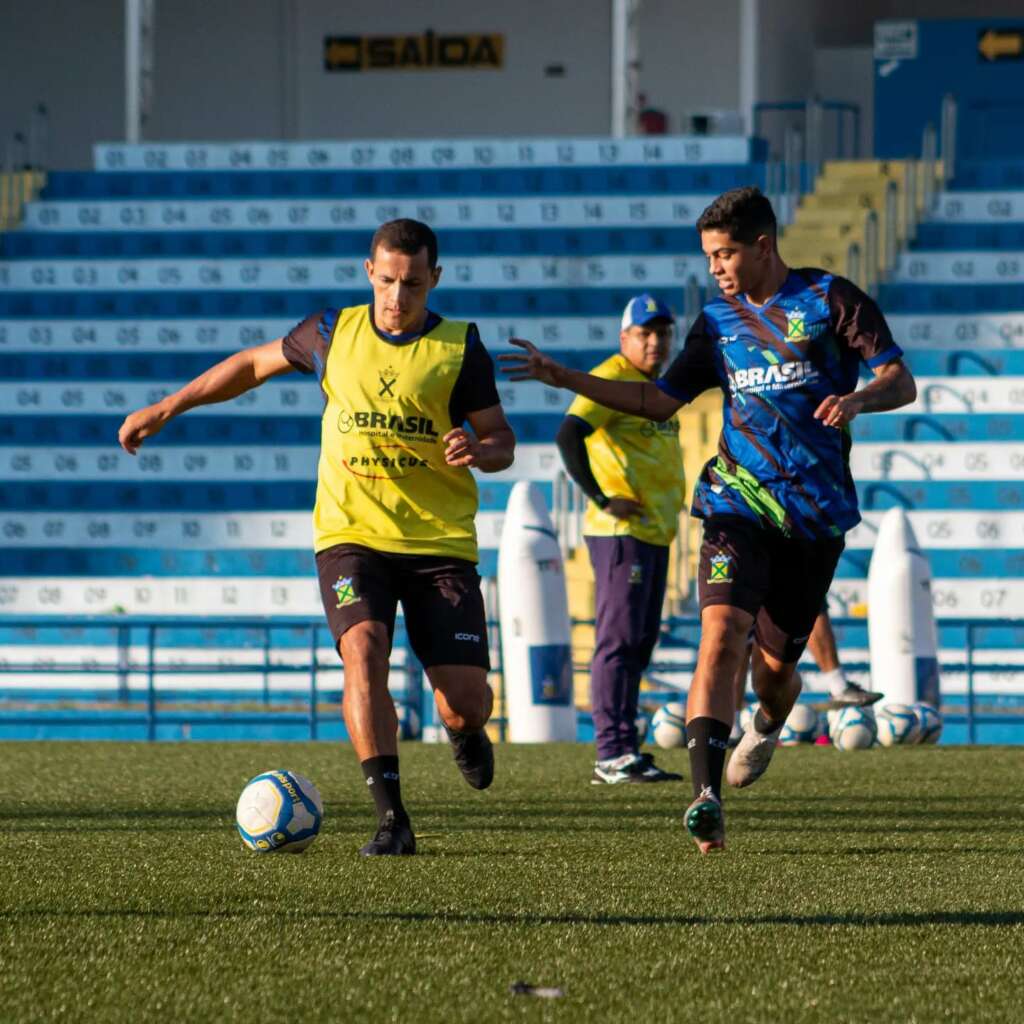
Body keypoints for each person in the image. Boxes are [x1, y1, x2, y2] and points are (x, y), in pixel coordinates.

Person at [500, 187, 916, 854]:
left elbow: (901, 380)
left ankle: (769, 723)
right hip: (734, 504)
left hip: (814, 516)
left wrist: (860, 398)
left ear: (762, 245)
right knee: (720, 631)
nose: (716, 268)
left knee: (775, 672)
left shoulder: (831, 300)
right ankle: (706, 800)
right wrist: (565, 377)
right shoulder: (716, 323)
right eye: (708, 256)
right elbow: (659, 402)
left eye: (724, 254)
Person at [118, 218, 515, 856]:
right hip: (349, 532)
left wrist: (480, 447)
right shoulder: (333, 331)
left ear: (434, 280)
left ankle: (465, 733)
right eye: (386, 280)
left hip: (438, 542)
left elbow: (503, 439)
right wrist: (167, 408)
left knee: (464, 703)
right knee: (363, 652)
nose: (397, 295)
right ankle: (392, 819)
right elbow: (251, 365)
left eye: (412, 283)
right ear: (369, 273)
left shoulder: (459, 348)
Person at [556, 293, 686, 784]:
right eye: (645, 334)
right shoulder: (611, 376)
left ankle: (626, 748)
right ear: (624, 339)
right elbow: (568, 434)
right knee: (618, 640)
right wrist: (602, 498)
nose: (655, 342)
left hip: (652, 531)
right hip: (620, 533)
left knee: (639, 641)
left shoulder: (658, 387)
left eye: (662, 333)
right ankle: (611, 751)